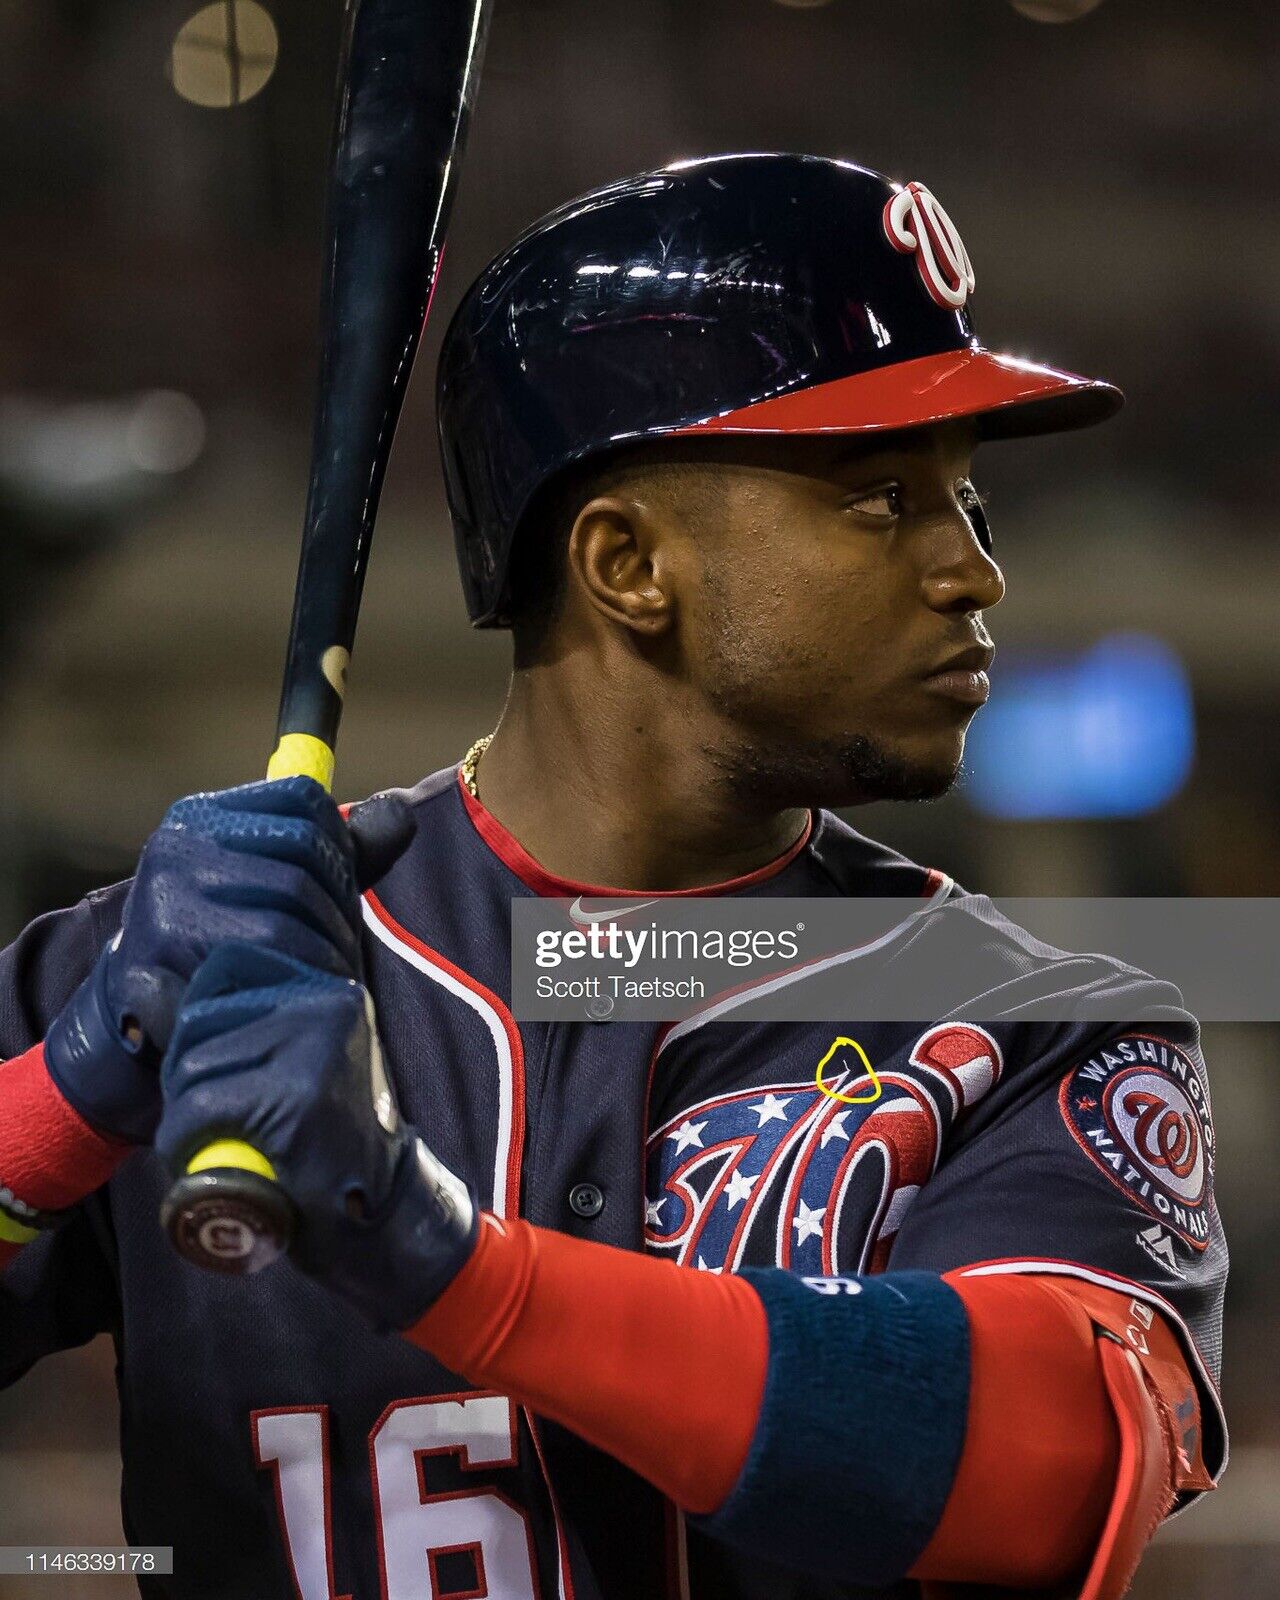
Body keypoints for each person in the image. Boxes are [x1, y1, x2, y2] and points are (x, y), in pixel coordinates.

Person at [0, 154, 1225, 1599]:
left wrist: (441, 1259)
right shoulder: (190, 966)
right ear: (627, 562)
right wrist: (63, 1100)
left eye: (969, 501)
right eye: (885, 498)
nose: (973, 573)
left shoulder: (1047, 1025)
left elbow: (1048, 1469)